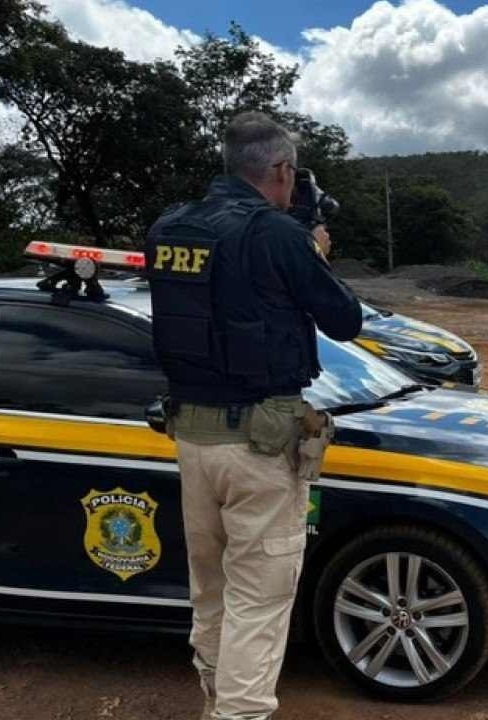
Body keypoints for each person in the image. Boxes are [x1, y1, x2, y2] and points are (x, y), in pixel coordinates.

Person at [145, 111, 363, 720]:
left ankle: (214, 699)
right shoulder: (279, 237)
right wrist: (312, 250)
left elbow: (222, 304)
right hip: (260, 449)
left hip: (193, 440)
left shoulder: (169, 228)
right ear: (282, 170)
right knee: (258, 601)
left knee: (210, 593)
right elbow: (345, 319)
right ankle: (238, 714)